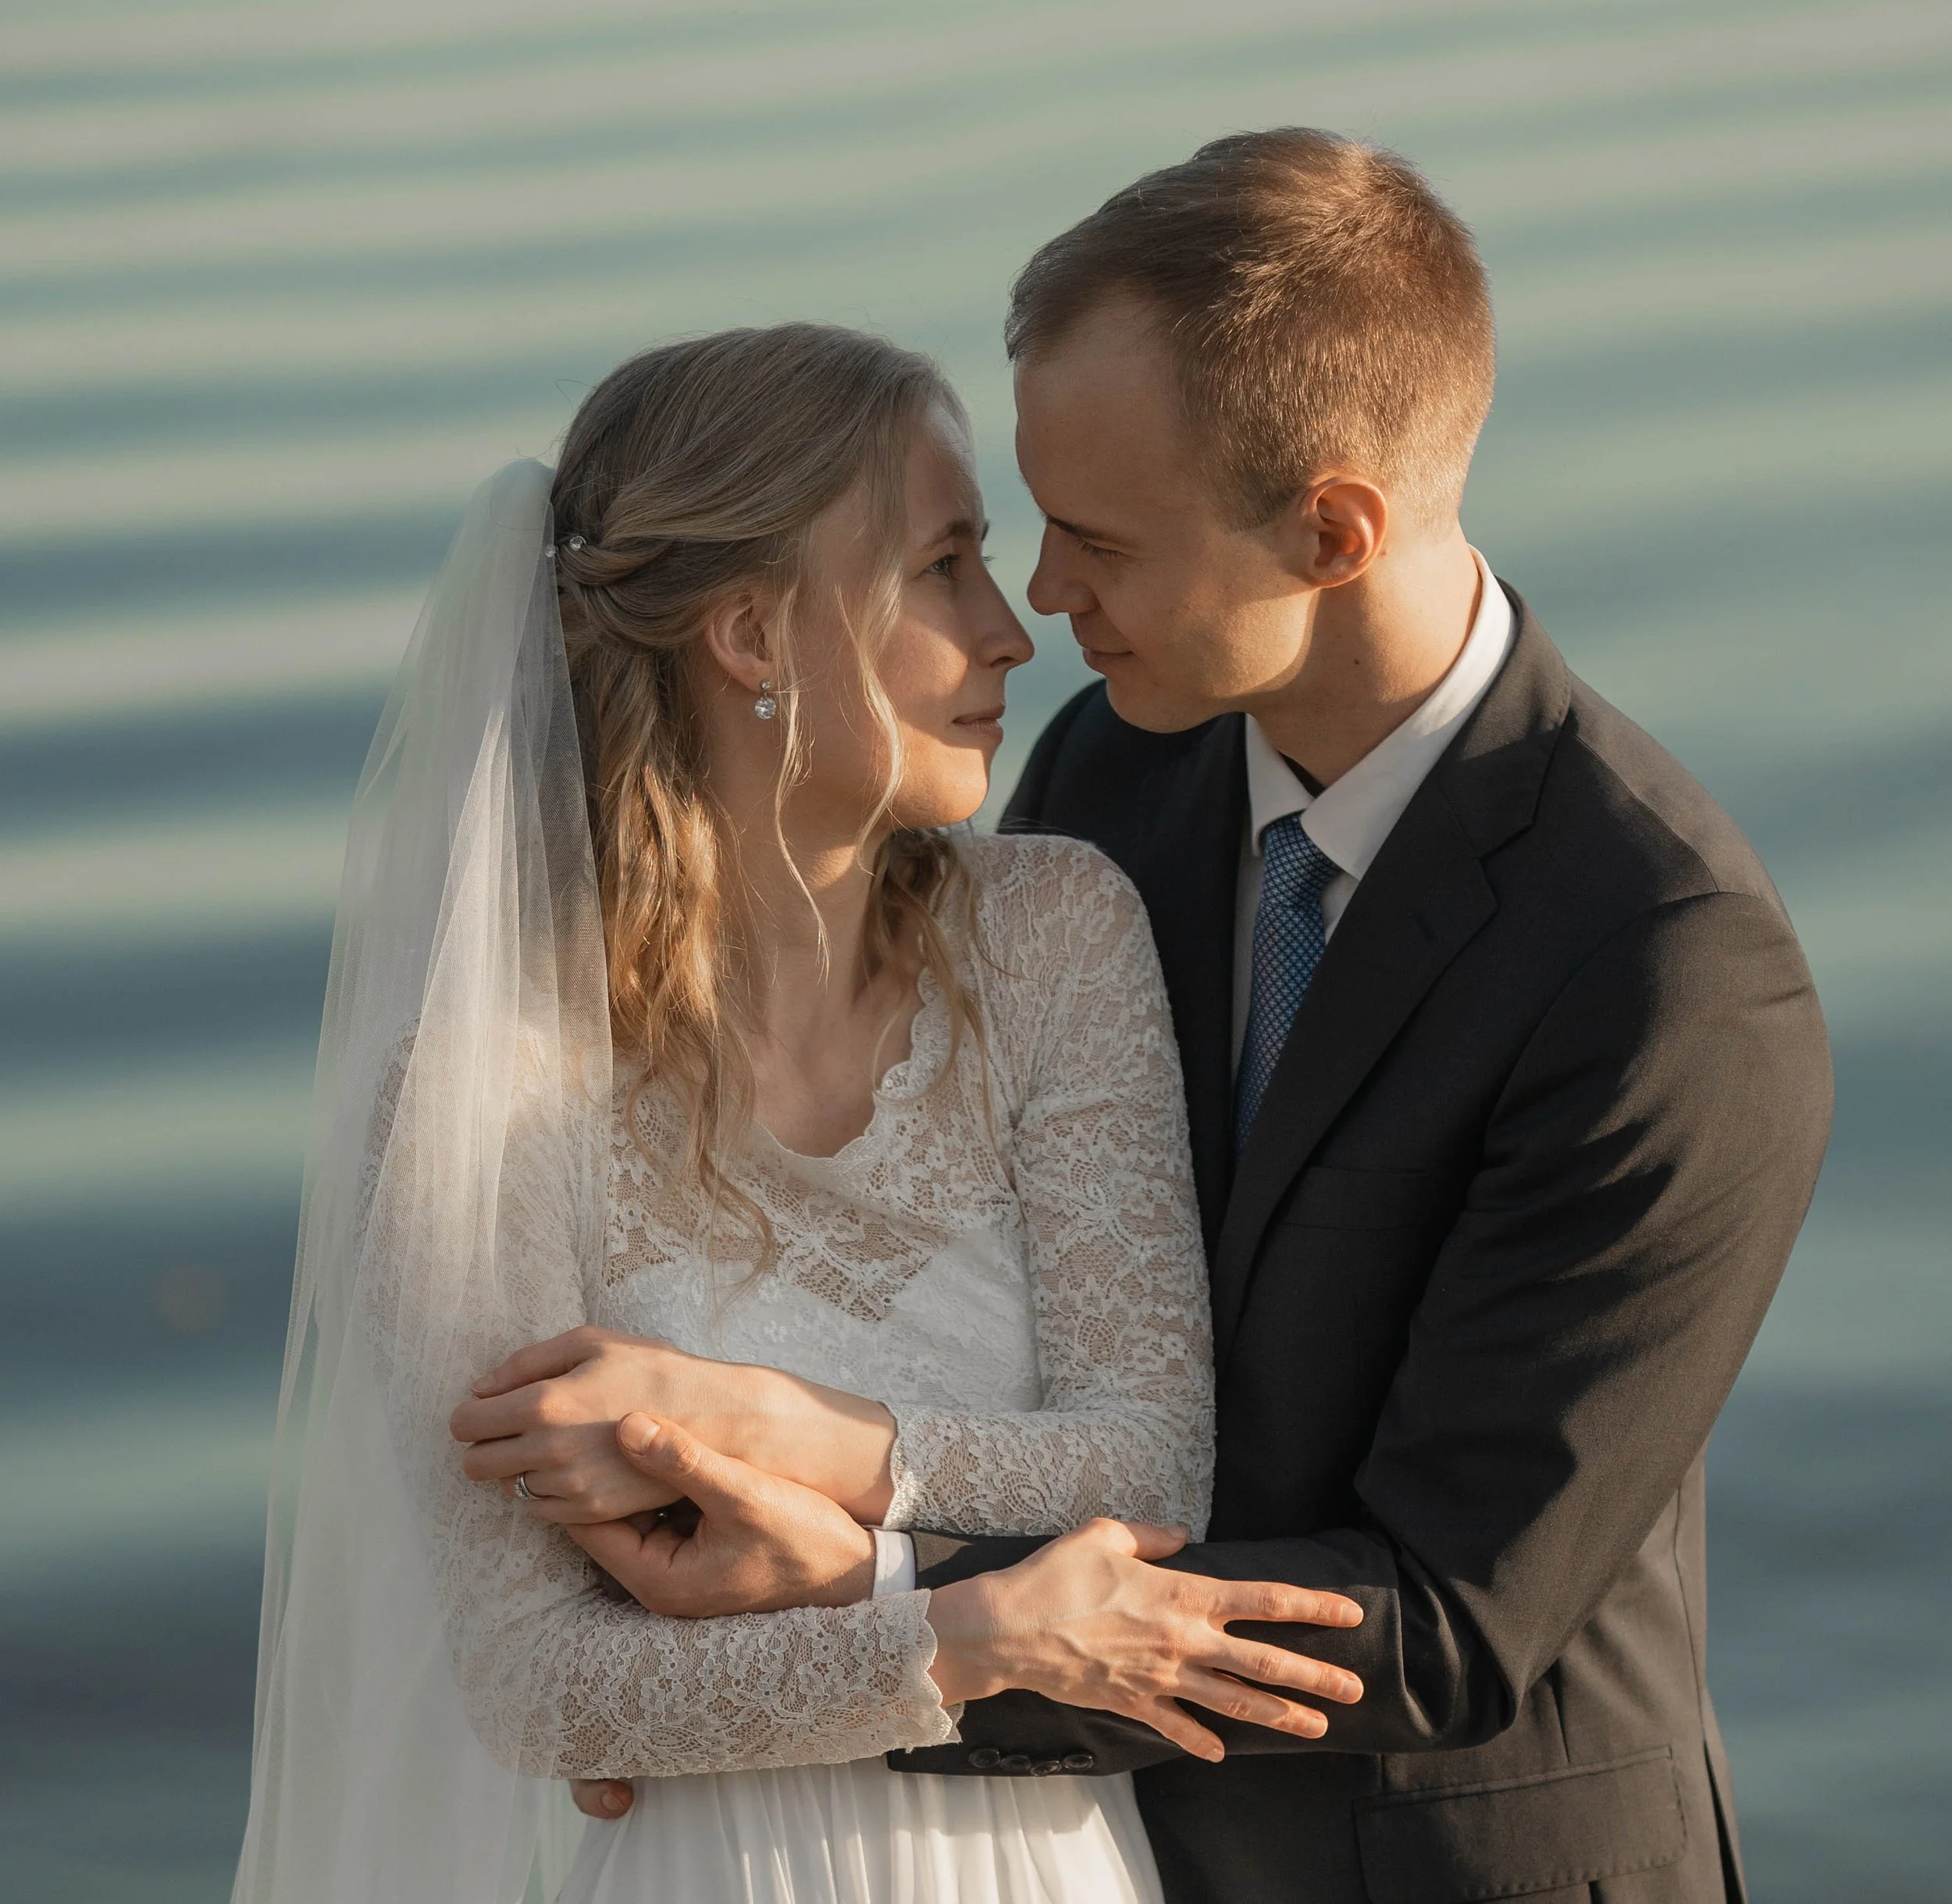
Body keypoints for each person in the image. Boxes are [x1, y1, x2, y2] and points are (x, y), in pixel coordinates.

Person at [562, 132, 1833, 1903]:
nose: (1039, 608)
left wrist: (856, 1606)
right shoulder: (1110, 772)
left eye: (1095, 541)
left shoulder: (1662, 967)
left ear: (1329, 529)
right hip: (1099, 1848)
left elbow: (1445, 1625)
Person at [232, 322, 1364, 1904]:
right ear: (756, 634)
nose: (1008, 630)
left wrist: (759, 1434)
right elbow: (536, 1682)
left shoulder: (1055, 932)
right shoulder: (478, 1091)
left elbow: (1148, 1470)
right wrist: (964, 1632)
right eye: (944, 564)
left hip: (1040, 1867)